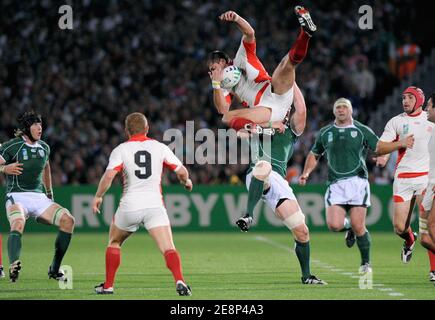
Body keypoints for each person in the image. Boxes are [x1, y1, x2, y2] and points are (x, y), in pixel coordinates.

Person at [92, 112, 193, 296]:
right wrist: (186, 182)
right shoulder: (159, 147)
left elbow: (108, 176)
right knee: (168, 248)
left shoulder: (120, 149)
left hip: (129, 205)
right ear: (147, 129)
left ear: (126, 131)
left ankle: (108, 285)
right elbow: (181, 171)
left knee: (114, 242)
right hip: (154, 206)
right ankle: (180, 280)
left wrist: (98, 196)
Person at [236, 83, 326, 284]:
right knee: (262, 166)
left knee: (301, 231)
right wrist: (265, 127)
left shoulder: (290, 132)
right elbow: (240, 133)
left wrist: (291, 80)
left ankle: (306, 276)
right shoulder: (258, 122)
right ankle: (249, 214)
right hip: (256, 174)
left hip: (279, 181)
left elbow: (301, 108)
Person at [298, 98, 387, 274]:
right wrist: (306, 172)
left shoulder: (361, 130)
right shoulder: (325, 132)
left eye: (344, 107)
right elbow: (314, 154)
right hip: (335, 184)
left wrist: (384, 157)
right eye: (337, 107)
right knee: (334, 225)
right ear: (333, 111)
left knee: (359, 225)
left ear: (351, 110)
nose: (341, 110)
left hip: (358, 182)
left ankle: (365, 263)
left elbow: (380, 147)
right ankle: (349, 228)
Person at [208, 6, 316, 133]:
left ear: (222, 62)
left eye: (213, 68)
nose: (212, 73)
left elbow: (250, 33)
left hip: (276, 92)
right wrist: (216, 84)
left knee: (286, 65)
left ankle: (306, 34)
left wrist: (236, 18)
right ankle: (260, 128)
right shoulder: (224, 86)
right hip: (264, 111)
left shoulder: (242, 56)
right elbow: (222, 110)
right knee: (226, 118)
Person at [0, 111, 75, 282]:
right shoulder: (13, 146)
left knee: (68, 220)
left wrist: (49, 193)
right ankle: (14, 265)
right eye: (35, 124)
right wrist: (4, 169)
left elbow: (46, 167)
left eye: (40, 124)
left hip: (39, 198)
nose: (39, 127)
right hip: (17, 197)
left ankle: (54, 270)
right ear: (27, 128)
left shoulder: (44, 147)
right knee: (18, 223)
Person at [376, 86, 435, 281]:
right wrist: (399, 144)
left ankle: (433, 270)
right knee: (399, 227)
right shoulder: (397, 121)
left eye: (410, 97)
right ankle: (410, 239)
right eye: (403, 98)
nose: (405, 101)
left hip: (425, 178)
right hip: (403, 179)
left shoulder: (431, 119)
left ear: (419, 100)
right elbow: (380, 148)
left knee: (428, 227)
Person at [417, 92, 435, 281]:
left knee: (432, 226)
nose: (426, 109)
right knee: (425, 238)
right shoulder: (430, 128)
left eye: (429, 106)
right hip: (429, 184)